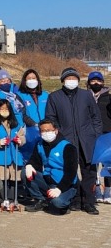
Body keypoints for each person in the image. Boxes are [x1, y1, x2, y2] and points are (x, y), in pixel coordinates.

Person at [45, 67, 103, 215]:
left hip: (87, 140)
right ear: (63, 81)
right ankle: (75, 200)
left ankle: (89, 202)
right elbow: (50, 119)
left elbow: (96, 117)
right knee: (70, 170)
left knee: (89, 171)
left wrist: (95, 134)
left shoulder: (86, 95)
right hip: (66, 141)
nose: (71, 81)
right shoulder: (54, 97)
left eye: (74, 78)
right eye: (68, 79)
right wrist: (59, 138)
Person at [25, 118, 79, 215]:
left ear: (56, 131)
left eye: (48, 130)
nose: (45, 133)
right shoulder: (39, 144)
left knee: (57, 203)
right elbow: (35, 160)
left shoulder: (68, 147)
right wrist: (29, 165)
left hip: (65, 184)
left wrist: (60, 189)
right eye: (42, 131)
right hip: (47, 180)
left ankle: (68, 202)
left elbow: (71, 172)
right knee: (25, 173)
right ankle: (41, 200)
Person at [0, 98, 25, 206]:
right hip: (0, 157)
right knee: (2, 179)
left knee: (13, 179)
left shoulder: (16, 124)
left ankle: (12, 199)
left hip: (14, 155)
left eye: (6, 108)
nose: (4, 111)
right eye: (1, 109)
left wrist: (20, 140)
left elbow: (22, 136)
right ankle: (3, 199)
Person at [87, 71, 111, 203]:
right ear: (89, 83)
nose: (96, 83)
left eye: (99, 81)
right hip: (91, 134)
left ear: (103, 82)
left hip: (107, 134)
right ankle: (96, 189)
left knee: (108, 164)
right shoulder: (85, 96)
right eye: (93, 81)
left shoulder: (108, 97)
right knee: (93, 164)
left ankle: (108, 190)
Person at [16, 69, 49, 165]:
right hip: (30, 131)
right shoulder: (19, 95)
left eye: (33, 78)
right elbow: (22, 114)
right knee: (32, 160)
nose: (31, 80)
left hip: (46, 130)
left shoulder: (45, 95)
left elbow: (50, 112)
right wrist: (35, 124)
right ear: (24, 81)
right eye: (29, 78)